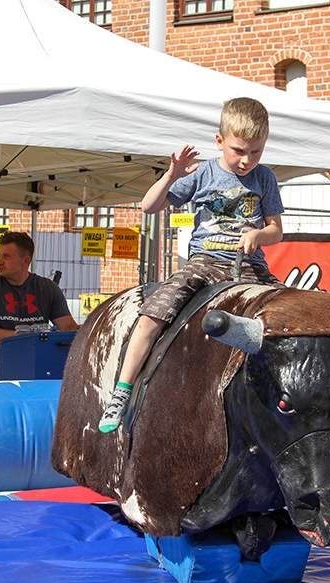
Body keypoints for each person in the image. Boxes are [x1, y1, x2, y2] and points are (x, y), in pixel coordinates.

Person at [99, 97, 284, 433]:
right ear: (219, 141)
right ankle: (121, 393)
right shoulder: (204, 173)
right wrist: (171, 175)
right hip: (206, 261)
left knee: (290, 319)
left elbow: (276, 230)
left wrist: (260, 233)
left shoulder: (265, 178)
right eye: (238, 150)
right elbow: (148, 206)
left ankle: (286, 398)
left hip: (249, 266)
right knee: (152, 315)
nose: (247, 160)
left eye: (256, 152)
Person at [0, 231, 78, 382]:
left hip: (41, 361)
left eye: (6, 256)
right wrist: (32, 336)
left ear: (25, 261)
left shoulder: (47, 288)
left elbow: (69, 327)